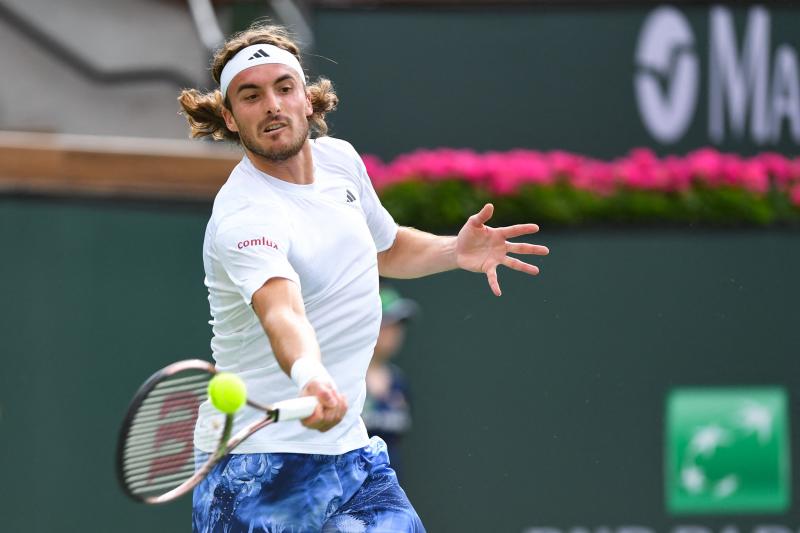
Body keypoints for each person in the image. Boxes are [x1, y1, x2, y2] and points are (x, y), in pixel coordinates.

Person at [178, 21, 549, 533]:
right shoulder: (245, 214)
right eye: (250, 95)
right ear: (229, 115)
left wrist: (453, 250)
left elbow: (385, 247)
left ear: (307, 98)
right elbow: (281, 311)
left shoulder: (341, 162)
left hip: (351, 453)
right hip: (257, 464)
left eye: (284, 88)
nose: (272, 105)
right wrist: (311, 376)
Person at [362, 286, 419, 481]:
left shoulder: (399, 382)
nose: (395, 333)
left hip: (389, 497)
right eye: (388, 323)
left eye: (399, 326)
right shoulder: (343, 380)